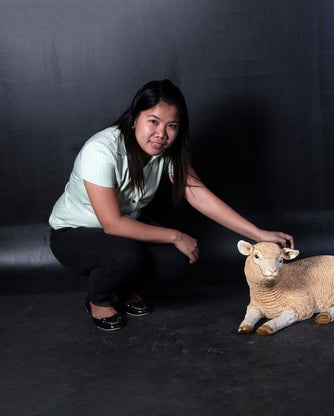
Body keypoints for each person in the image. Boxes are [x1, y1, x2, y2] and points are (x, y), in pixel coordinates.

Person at [49, 79, 294, 331]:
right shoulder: (100, 150)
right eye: (153, 121)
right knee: (125, 254)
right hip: (74, 232)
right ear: (135, 118)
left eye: (172, 126)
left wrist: (258, 234)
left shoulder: (167, 151)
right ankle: (98, 299)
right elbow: (112, 224)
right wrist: (175, 235)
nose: (161, 134)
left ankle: (122, 289)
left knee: (175, 258)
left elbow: (199, 195)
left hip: (124, 228)